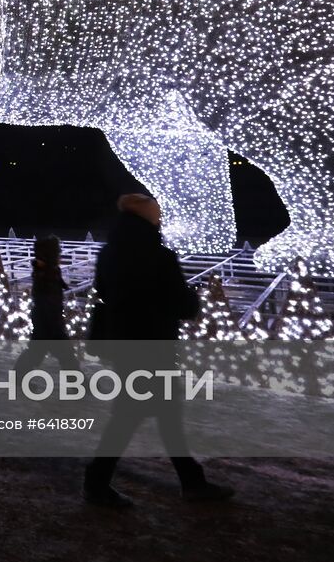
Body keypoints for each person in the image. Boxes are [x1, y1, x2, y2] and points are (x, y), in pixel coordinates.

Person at [83, 193, 234, 508]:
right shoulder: (159, 255)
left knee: (161, 414)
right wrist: (191, 297)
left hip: (124, 345)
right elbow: (182, 304)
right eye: (157, 215)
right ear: (150, 218)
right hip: (154, 346)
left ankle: (191, 481)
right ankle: (97, 483)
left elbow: (105, 296)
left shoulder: (109, 253)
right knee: (132, 416)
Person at [15, 234, 79, 372]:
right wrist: (54, 321)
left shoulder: (50, 270)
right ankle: (79, 383)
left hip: (48, 320)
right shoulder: (46, 273)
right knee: (62, 354)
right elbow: (46, 298)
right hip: (48, 321)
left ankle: (18, 374)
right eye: (58, 252)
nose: (60, 255)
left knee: (42, 353)